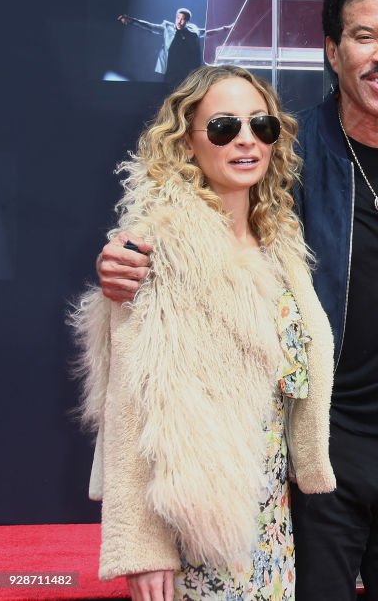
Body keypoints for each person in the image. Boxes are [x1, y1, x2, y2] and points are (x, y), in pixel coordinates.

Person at [97, 0, 378, 601]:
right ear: (332, 51)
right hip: (316, 456)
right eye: (365, 37)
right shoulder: (287, 150)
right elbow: (199, 217)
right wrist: (127, 254)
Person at [72, 64, 336, 601]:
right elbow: (130, 407)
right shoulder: (156, 248)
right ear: (187, 142)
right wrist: (144, 546)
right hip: (195, 524)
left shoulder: (279, 242)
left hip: (268, 520)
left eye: (261, 126)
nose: (246, 139)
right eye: (223, 127)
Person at [118, 8, 229, 86]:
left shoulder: (192, 32)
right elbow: (149, 26)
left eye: (183, 19)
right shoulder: (167, 28)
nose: (180, 22)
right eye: (178, 18)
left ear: (187, 21)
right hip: (170, 69)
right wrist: (131, 21)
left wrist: (224, 29)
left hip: (185, 69)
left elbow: (207, 32)